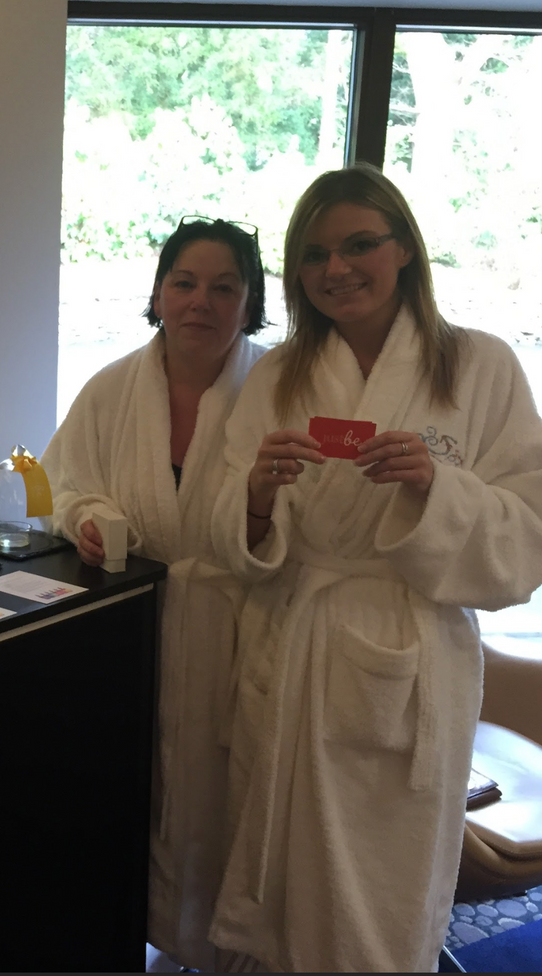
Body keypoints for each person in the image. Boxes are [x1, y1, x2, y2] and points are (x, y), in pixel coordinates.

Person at [208, 162, 542, 972]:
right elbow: (226, 528)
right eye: (315, 254)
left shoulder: (480, 365)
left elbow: (527, 532)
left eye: (360, 244)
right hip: (292, 646)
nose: (337, 269)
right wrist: (255, 497)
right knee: (284, 880)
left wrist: (436, 489)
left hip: (413, 655)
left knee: (384, 896)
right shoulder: (278, 376)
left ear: (404, 251)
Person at [41, 215, 268, 970]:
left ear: (249, 302)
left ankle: (226, 950)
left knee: (229, 800)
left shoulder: (274, 390)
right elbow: (61, 484)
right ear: (159, 292)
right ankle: (141, 937)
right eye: (184, 282)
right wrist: (83, 523)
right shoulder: (110, 391)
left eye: (223, 287)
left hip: (242, 629)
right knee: (138, 791)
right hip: (133, 633)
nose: (200, 302)